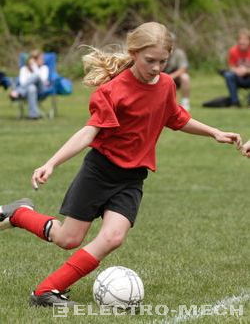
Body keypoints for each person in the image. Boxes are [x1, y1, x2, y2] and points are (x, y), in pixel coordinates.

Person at [0, 22, 242, 307]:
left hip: (133, 177)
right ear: (134, 53)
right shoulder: (113, 91)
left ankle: (46, 291)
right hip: (100, 172)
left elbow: (176, 117)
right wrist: (52, 162)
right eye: (150, 61)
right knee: (67, 239)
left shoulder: (165, 84)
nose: (156, 68)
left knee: (113, 238)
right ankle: (18, 215)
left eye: (163, 61)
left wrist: (214, 131)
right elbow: (89, 132)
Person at [10, 50, 49, 119]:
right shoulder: (24, 69)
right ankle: (33, 115)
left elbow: (42, 80)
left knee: (36, 76)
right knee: (31, 88)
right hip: (27, 91)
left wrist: (34, 67)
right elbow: (22, 82)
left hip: (40, 90)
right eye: (41, 59)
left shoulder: (44, 68)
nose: (43, 60)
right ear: (34, 60)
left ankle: (17, 91)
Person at [221, 28, 250, 107]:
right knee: (228, 75)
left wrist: (247, 71)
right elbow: (231, 66)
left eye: (245, 39)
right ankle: (235, 102)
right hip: (238, 77)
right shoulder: (233, 51)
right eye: (240, 39)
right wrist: (236, 70)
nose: (242, 42)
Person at [163, 34, 191, 110]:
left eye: (172, 42)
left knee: (185, 77)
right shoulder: (159, 51)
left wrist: (170, 77)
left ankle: (185, 102)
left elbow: (183, 69)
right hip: (160, 76)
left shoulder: (179, 53)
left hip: (174, 77)